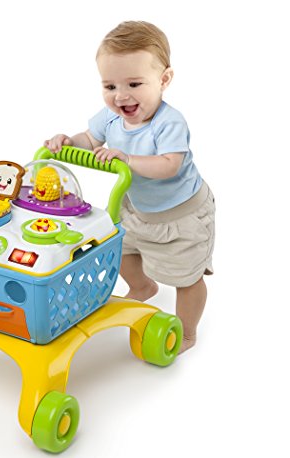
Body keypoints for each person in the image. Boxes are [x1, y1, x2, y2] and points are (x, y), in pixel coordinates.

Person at [44, 21, 215, 353]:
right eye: (110, 86)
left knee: (187, 278)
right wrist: (67, 142)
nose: (121, 96)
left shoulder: (169, 122)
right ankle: (143, 287)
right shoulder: (110, 117)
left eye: (134, 84)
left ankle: (188, 332)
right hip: (136, 208)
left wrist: (127, 158)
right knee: (118, 250)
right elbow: (89, 139)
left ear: (164, 80)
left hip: (181, 215)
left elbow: (170, 165)